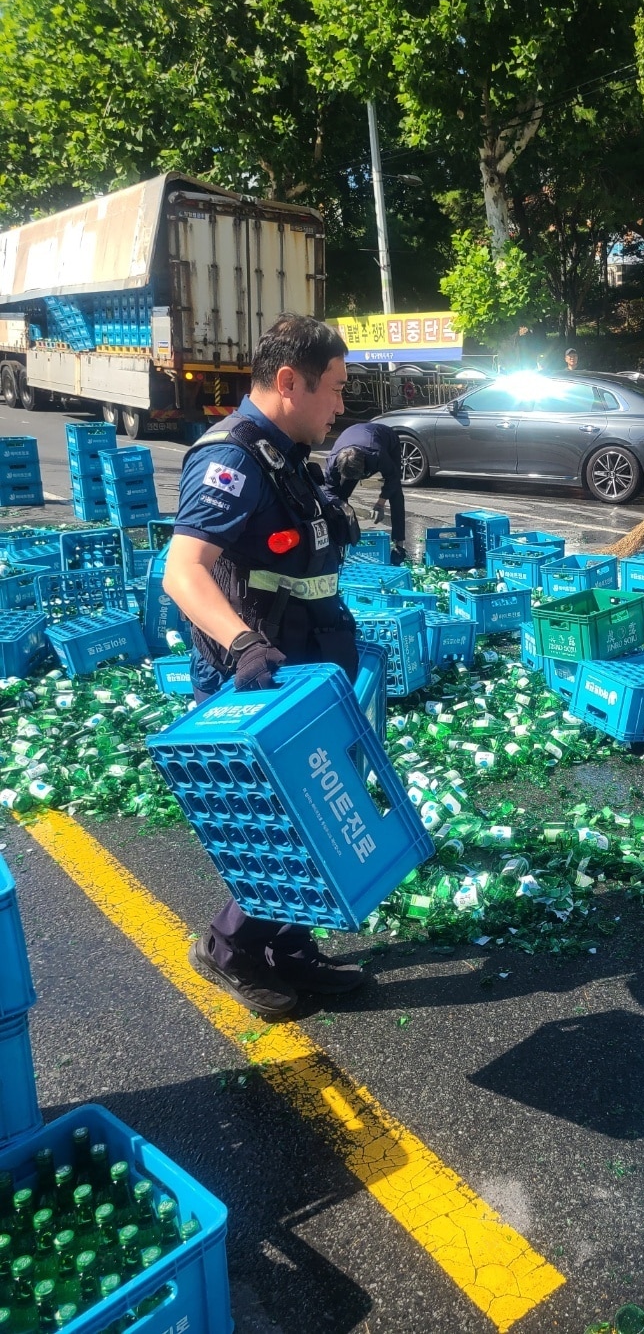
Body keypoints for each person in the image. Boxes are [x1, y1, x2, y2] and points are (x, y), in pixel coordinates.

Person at [163, 313, 367, 1019]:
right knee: (278, 823)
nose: (341, 407)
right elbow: (183, 572)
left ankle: (290, 948)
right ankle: (227, 948)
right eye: (335, 391)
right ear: (289, 382)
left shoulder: (282, 453)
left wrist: (337, 492)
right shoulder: (230, 459)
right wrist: (242, 643)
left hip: (301, 670)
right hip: (257, 675)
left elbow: (294, 546)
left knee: (306, 817)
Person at [325, 419, 408, 565]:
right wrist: (342, 505)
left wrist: (380, 503)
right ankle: (340, 541)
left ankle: (399, 545)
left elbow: (393, 478)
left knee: (395, 493)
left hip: (386, 439)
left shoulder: (377, 454)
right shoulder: (333, 462)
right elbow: (328, 491)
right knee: (340, 496)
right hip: (352, 440)